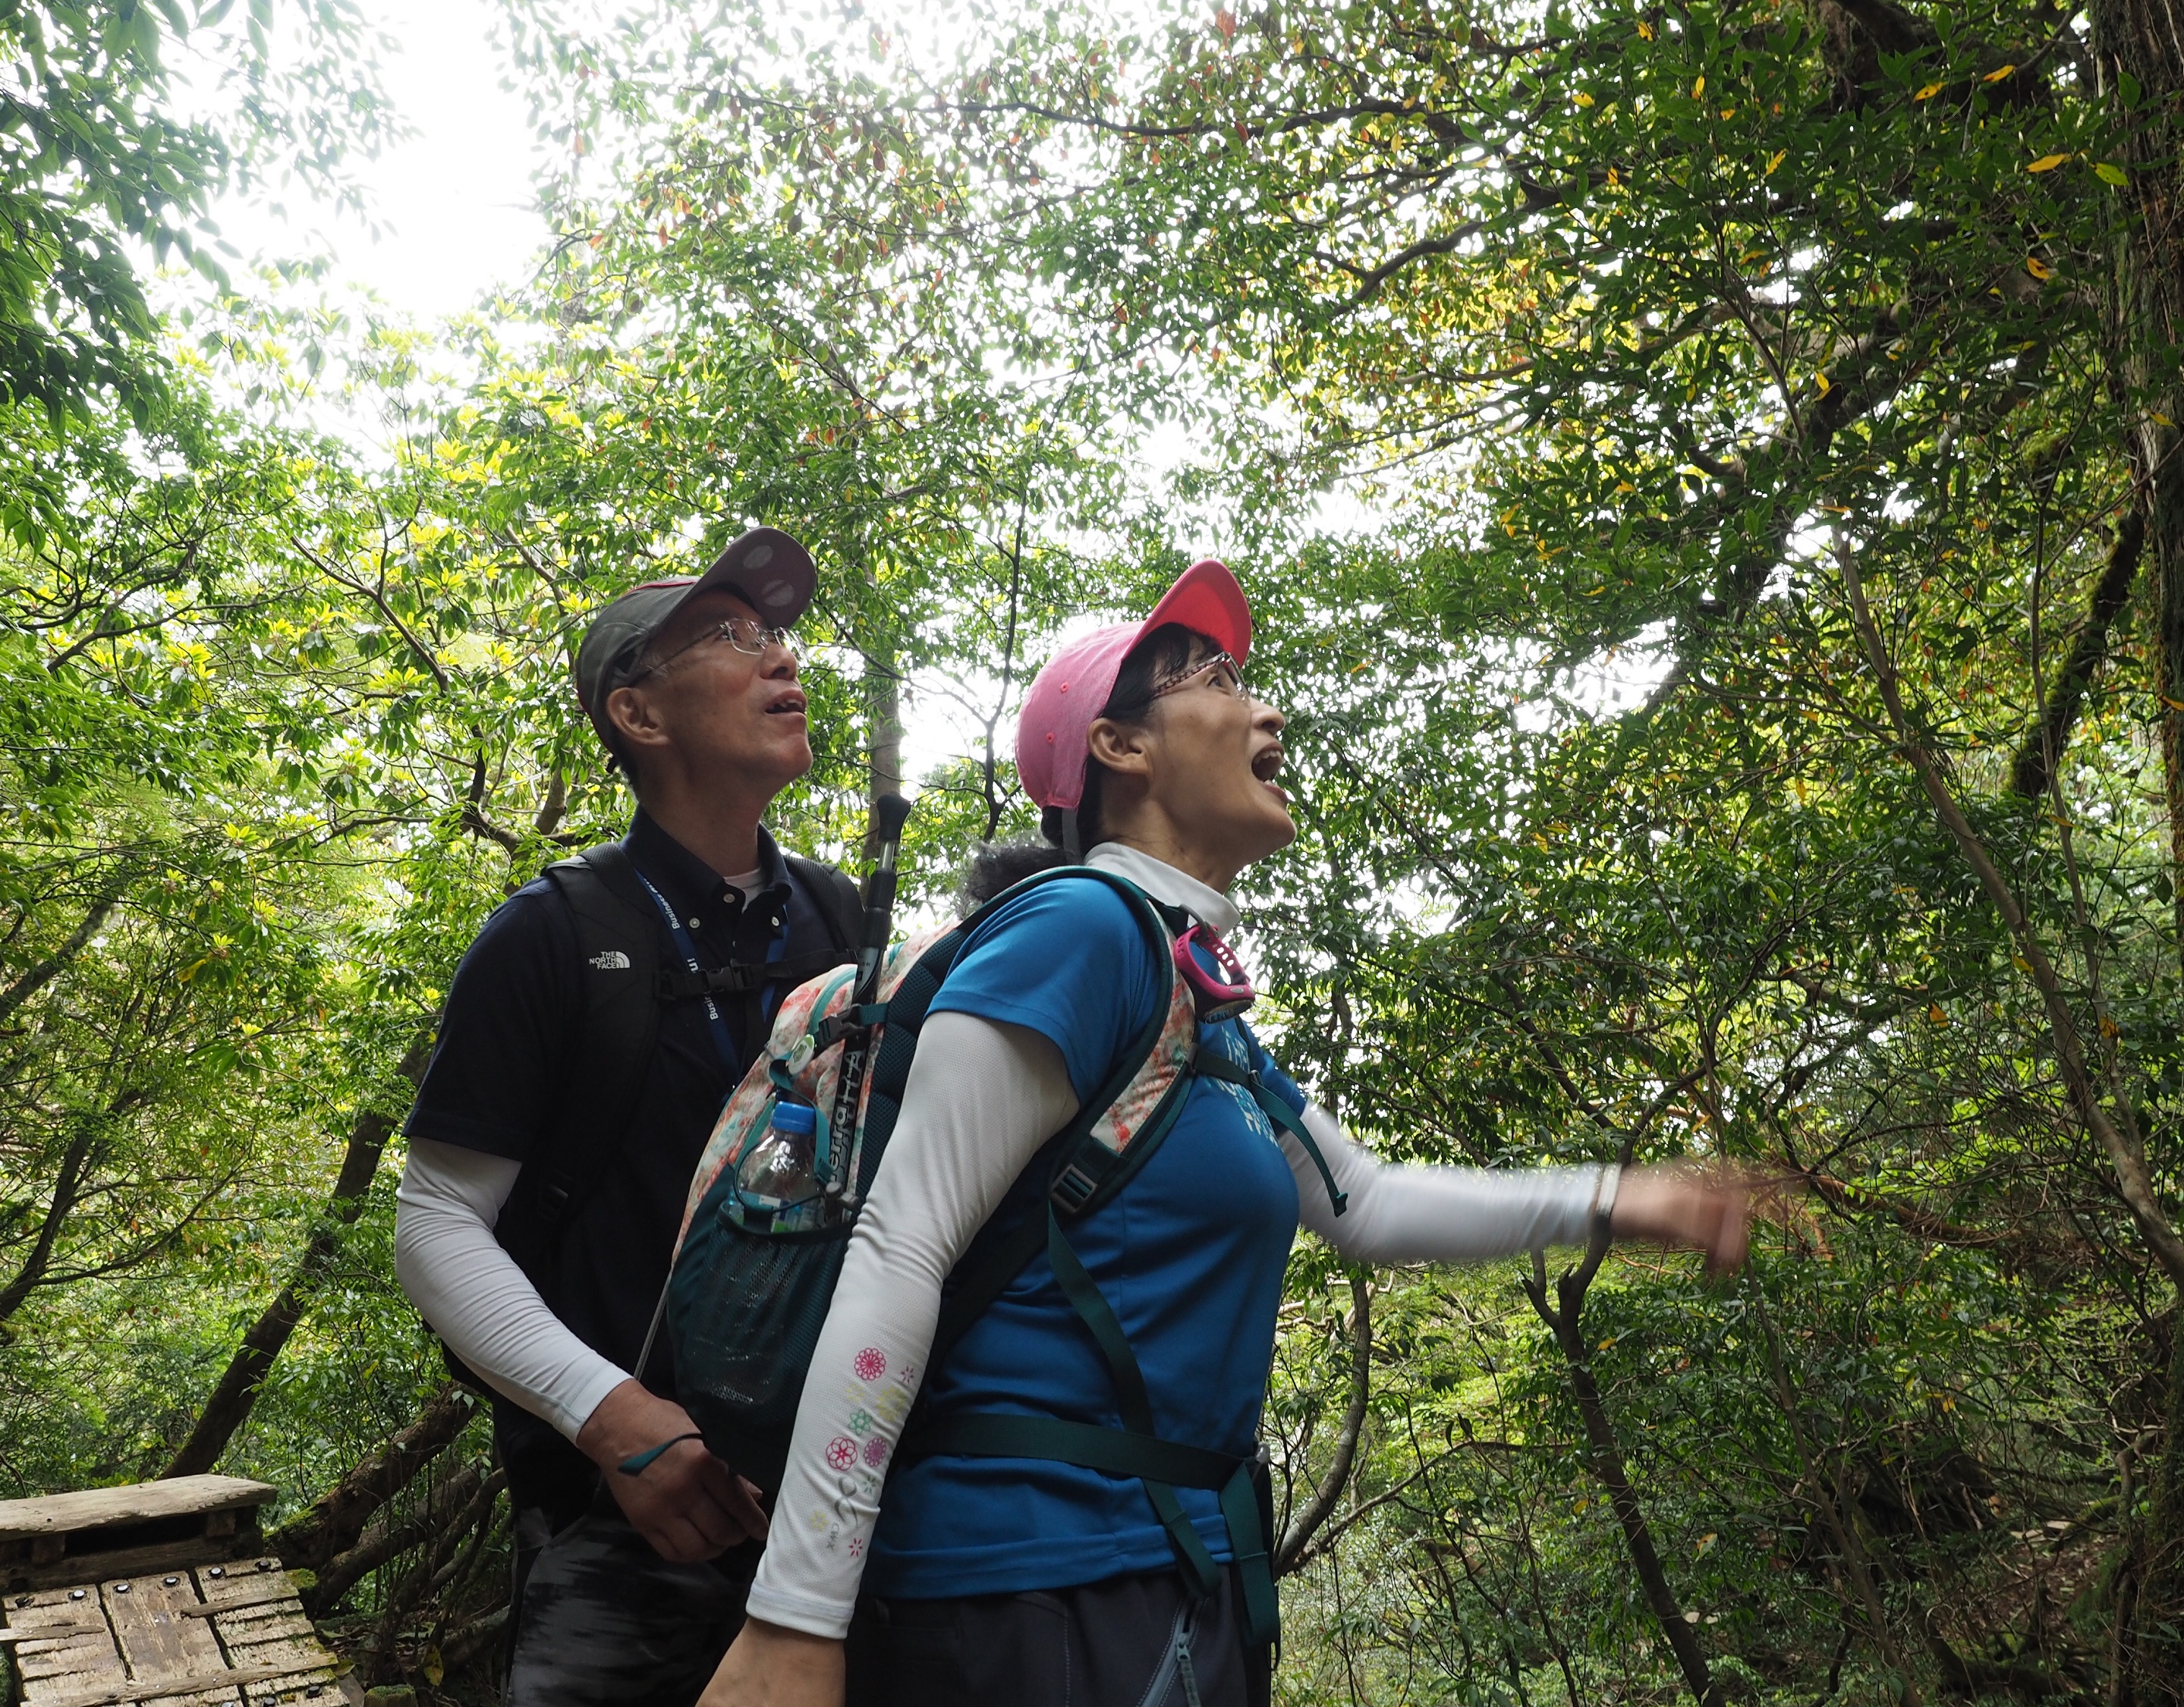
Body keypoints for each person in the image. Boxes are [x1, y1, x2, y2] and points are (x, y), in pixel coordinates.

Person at [699, 560, 1765, 1707]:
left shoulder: (1195, 1010)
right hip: (1028, 1589)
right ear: (1119, 747)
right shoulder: (1078, 929)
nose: (1266, 711)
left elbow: (1366, 1203)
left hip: (1164, 1578)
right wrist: (796, 1617)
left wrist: (1617, 1199)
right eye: (1213, 680)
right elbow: (902, 1244)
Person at [393, 527, 863, 1707]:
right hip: (621, 1522)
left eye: (776, 633)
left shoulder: (843, 920)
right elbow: (438, 1221)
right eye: (728, 637)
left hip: (833, 1516)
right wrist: (614, 1419)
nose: (780, 655)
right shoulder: (553, 933)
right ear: (638, 713)